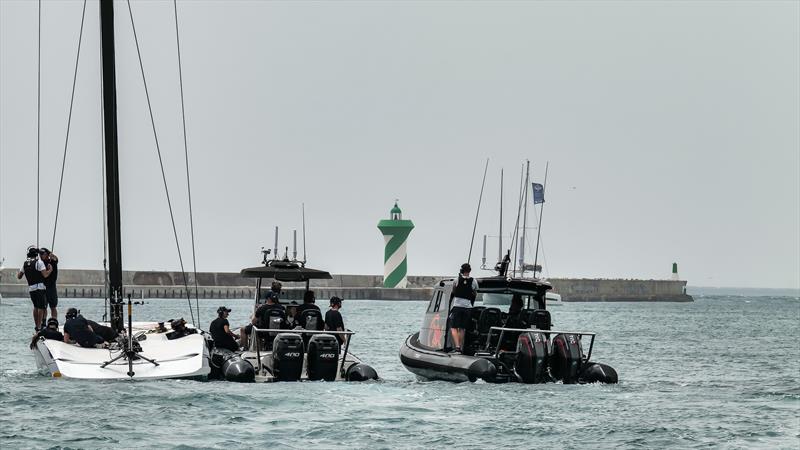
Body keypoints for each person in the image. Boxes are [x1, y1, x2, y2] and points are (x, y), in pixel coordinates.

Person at [17, 246, 53, 330]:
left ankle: (36, 325)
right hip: (40, 288)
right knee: (41, 307)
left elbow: (19, 276)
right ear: (36, 254)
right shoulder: (39, 262)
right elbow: (45, 275)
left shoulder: (25, 263)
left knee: (35, 307)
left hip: (31, 289)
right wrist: (50, 270)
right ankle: (39, 326)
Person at [448, 263, 478, 353]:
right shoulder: (474, 281)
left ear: (461, 270)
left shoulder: (456, 280)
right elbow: (475, 292)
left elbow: (454, 291)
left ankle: (457, 347)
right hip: (467, 307)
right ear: (469, 271)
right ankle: (460, 347)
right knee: (462, 328)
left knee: (453, 328)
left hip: (457, 306)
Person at [39, 248, 59, 322]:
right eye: (39, 254)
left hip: (52, 287)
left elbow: (56, 259)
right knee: (44, 307)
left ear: (47, 254)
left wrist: (51, 254)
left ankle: (54, 321)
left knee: (53, 307)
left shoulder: (52, 261)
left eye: (42, 254)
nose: (40, 256)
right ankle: (43, 322)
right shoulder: (40, 263)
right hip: (43, 287)